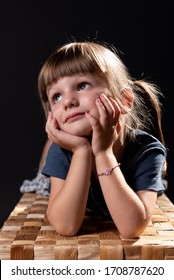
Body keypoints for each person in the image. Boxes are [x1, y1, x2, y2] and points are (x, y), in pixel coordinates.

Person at [37, 41, 167, 238]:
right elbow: (66, 227)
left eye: (82, 85)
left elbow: (131, 228)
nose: (68, 101)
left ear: (125, 100)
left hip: (125, 167)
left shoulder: (147, 149)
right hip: (62, 158)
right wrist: (81, 151)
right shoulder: (63, 150)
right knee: (40, 182)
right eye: (56, 97)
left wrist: (103, 152)